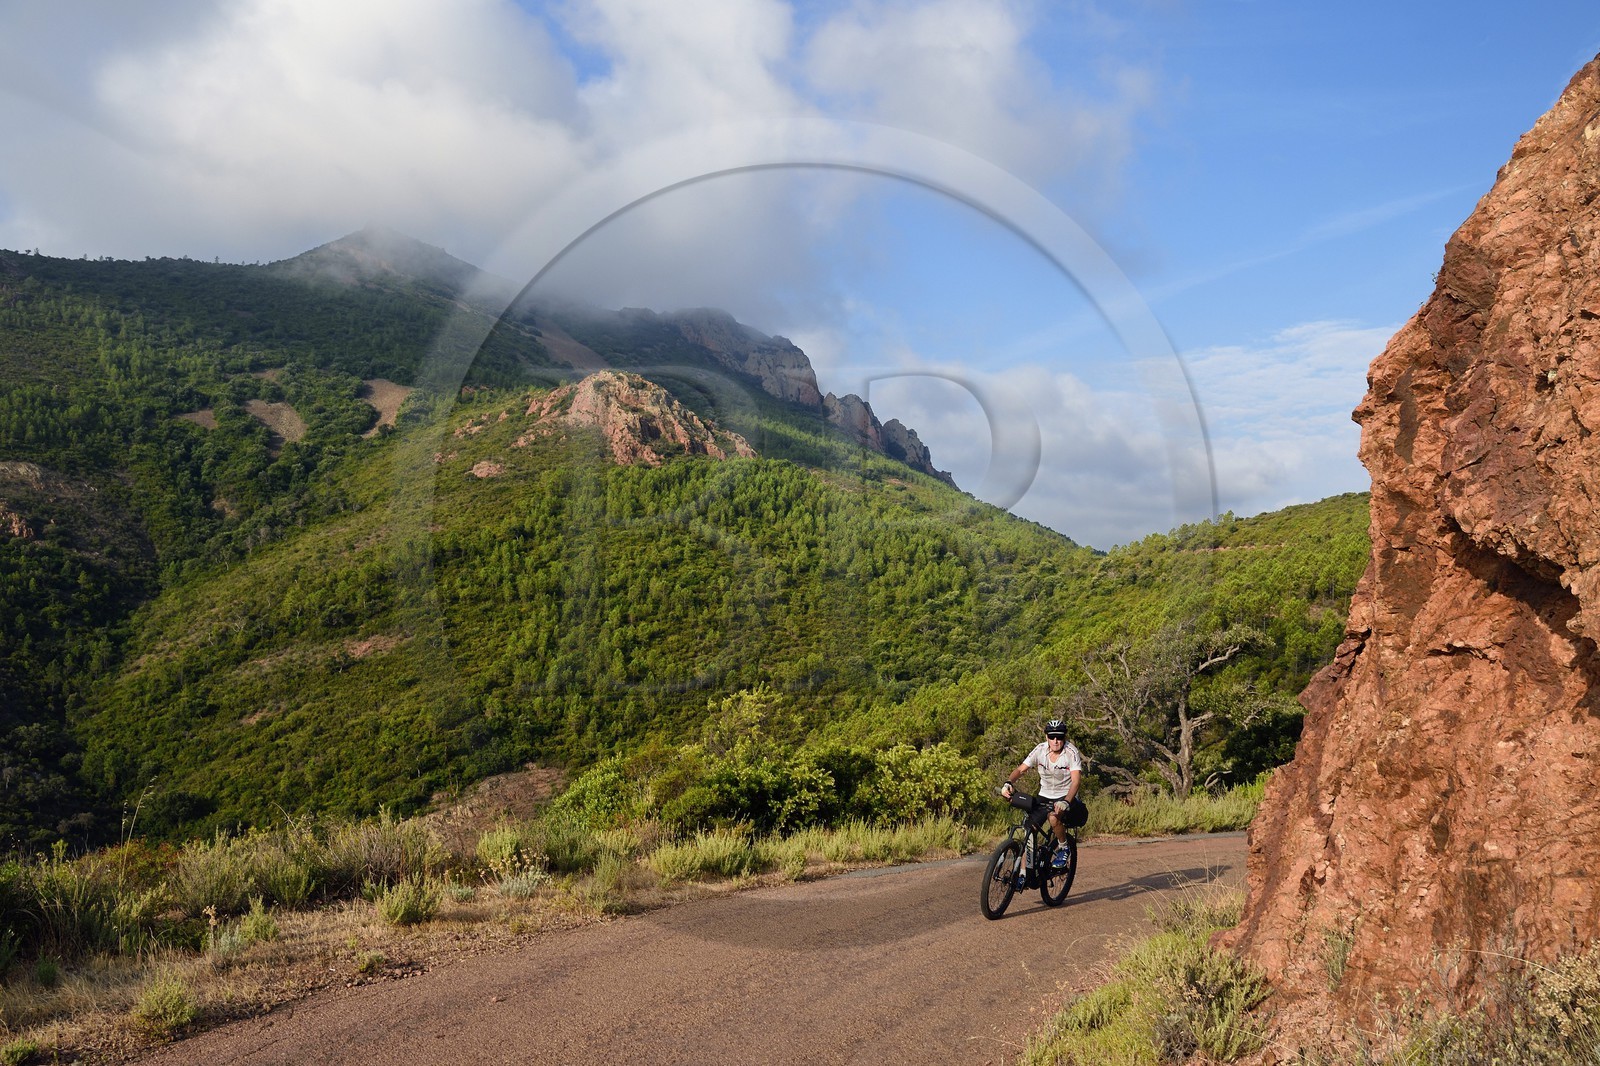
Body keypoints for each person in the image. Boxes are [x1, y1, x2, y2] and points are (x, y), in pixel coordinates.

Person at [1000, 718, 1083, 868]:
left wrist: (1066, 801)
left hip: (1065, 795)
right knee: (1028, 829)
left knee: (1053, 817)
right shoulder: (1040, 750)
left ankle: (1064, 848)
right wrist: (1008, 783)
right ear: (1046, 737)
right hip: (1044, 795)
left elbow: (1076, 781)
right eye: (1052, 737)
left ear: (1064, 737)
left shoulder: (1071, 752)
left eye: (1059, 737)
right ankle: (1025, 872)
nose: (1056, 740)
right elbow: (1020, 770)